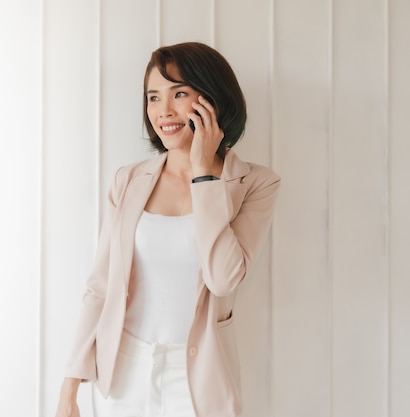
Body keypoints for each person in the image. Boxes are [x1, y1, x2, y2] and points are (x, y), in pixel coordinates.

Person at [54, 42, 281, 417]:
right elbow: (99, 287)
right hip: (122, 371)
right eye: (153, 97)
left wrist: (204, 174)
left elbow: (223, 280)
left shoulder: (255, 184)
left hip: (197, 380)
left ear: (212, 100)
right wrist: (69, 386)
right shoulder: (128, 181)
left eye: (179, 94)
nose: (164, 112)